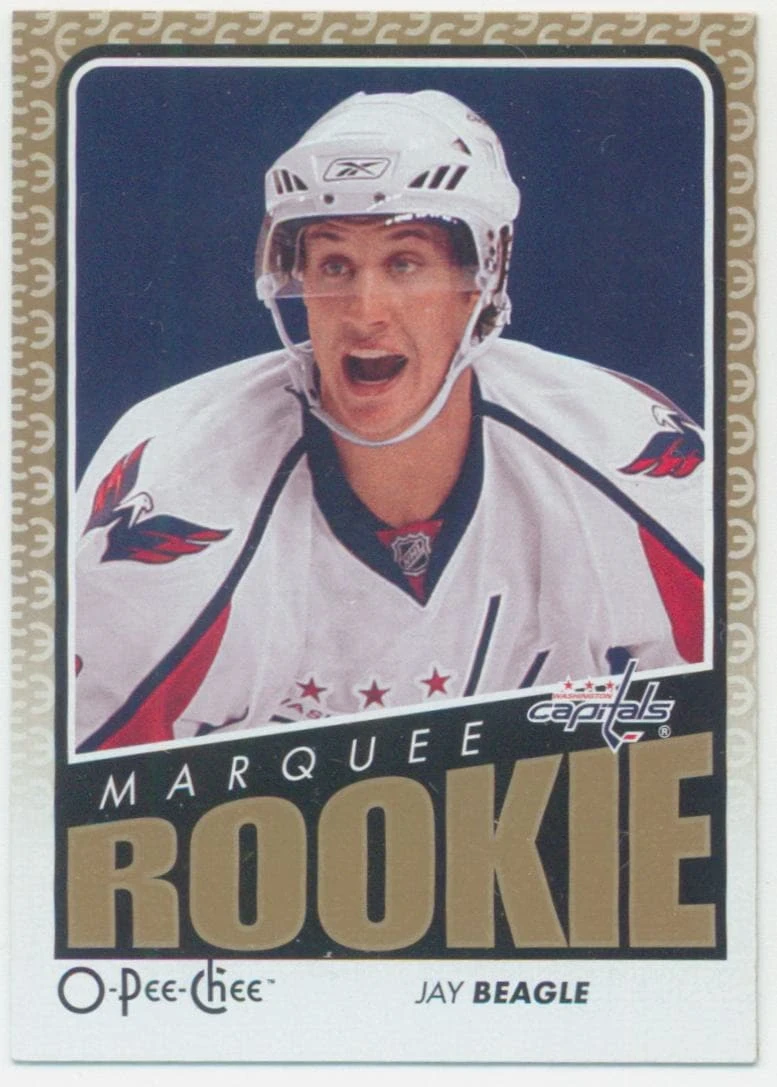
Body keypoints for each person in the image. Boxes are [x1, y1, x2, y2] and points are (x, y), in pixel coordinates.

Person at [74, 89, 705, 753]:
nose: (364, 310)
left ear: (480, 282)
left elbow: (738, 729)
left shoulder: (624, 453)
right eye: (334, 265)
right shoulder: (184, 485)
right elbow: (75, 791)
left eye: (404, 263)